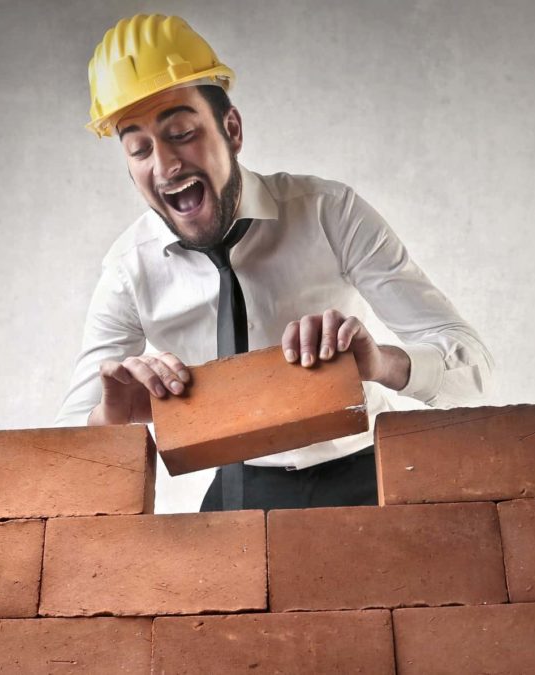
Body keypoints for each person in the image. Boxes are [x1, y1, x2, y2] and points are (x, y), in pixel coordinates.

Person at [55, 14, 493, 511]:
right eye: (139, 149)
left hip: (368, 471)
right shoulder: (128, 270)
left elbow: (473, 371)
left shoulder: (330, 212)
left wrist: (379, 364)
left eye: (181, 132)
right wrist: (111, 417)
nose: (165, 165)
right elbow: (64, 450)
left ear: (232, 129)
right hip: (240, 490)